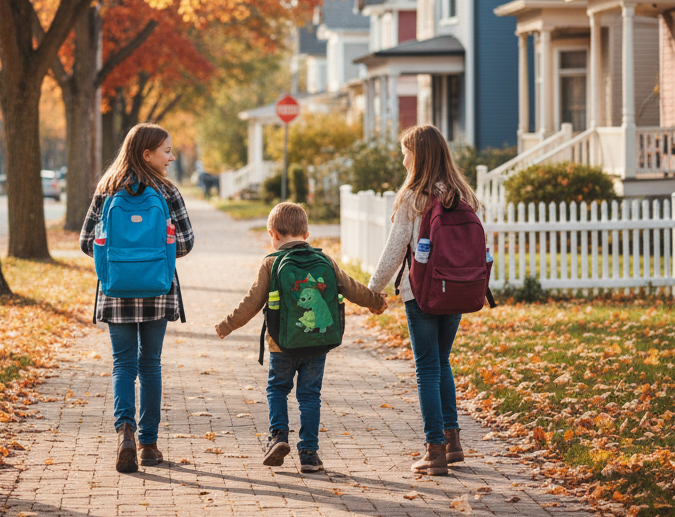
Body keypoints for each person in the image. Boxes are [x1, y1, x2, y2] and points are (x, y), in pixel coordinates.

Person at [215, 202, 387, 473]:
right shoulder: (326, 260)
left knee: (277, 389)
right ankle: (308, 453)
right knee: (309, 396)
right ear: (306, 234)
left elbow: (252, 301)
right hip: (318, 343)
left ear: (273, 234)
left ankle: (278, 437)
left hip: (281, 345)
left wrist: (228, 325)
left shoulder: (271, 263)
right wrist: (376, 301)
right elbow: (351, 286)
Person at [80, 123, 194, 474]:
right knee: (150, 365)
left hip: (116, 290)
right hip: (157, 290)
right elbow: (186, 243)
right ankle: (148, 445)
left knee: (123, 364)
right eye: (167, 151)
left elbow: (87, 242)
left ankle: (124, 432)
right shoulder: (167, 191)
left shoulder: (107, 189)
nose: (171, 157)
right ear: (147, 154)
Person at [368, 124, 481, 476]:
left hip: (421, 294)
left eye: (406, 152)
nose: (403, 159)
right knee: (441, 362)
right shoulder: (463, 196)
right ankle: (453, 441)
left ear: (419, 156)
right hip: (457, 290)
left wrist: (373, 289)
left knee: (427, 369)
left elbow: (393, 251)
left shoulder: (413, 199)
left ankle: (434, 450)